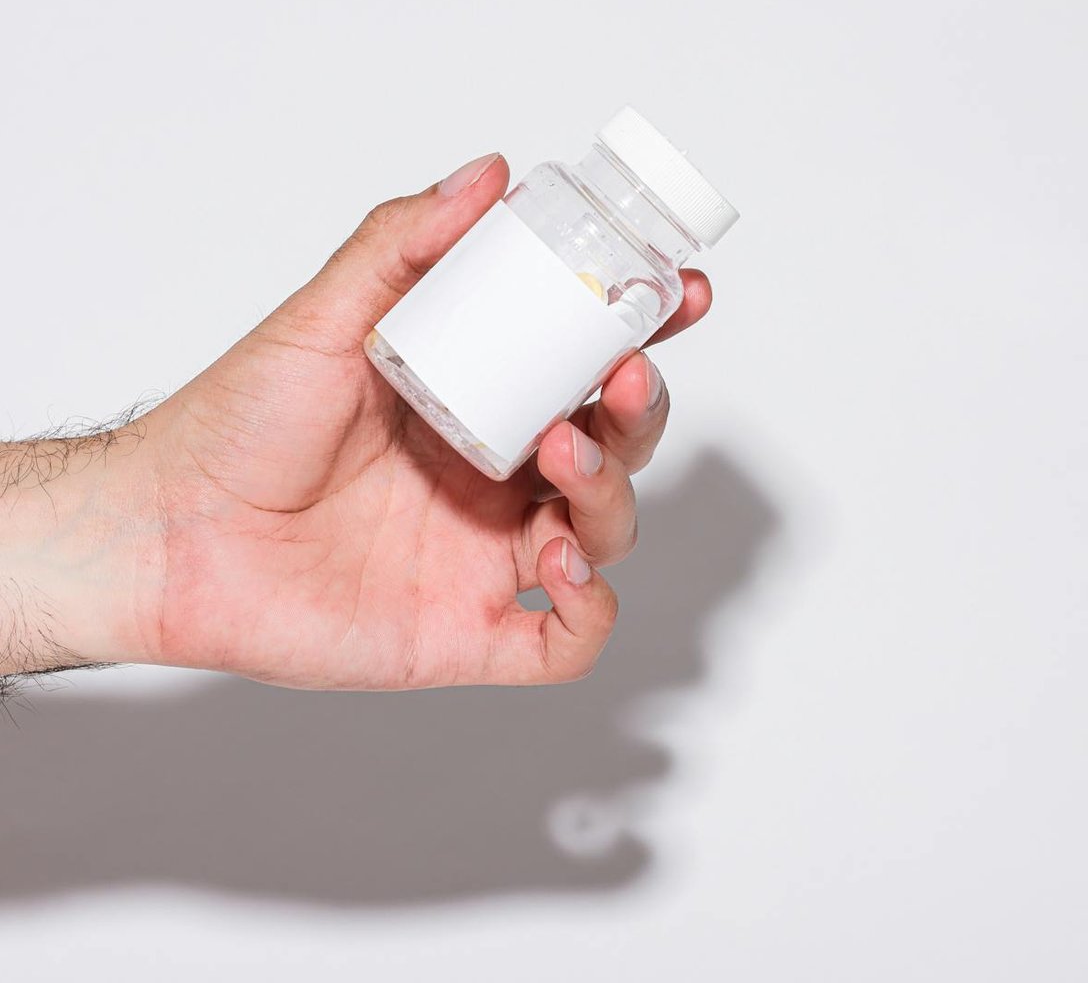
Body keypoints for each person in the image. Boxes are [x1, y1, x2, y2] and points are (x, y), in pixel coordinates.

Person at [0, 152, 712, 690]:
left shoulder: (646, 285)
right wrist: (165, 524)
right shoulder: (557, 191)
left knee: (607, 407)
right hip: (406, 375)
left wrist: (165, 542)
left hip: (479, 446)